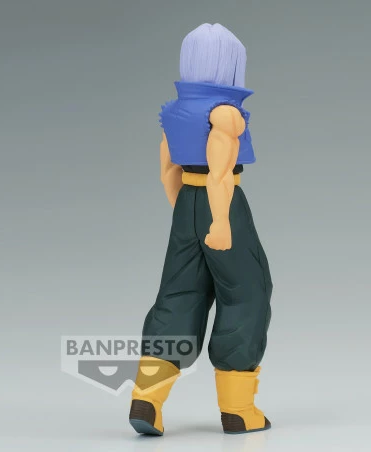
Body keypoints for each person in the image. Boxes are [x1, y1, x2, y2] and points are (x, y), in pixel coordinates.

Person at [129, 23, 273, 436]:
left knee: (179, 294)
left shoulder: (173, 111)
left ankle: (146, 399)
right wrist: (220, 222)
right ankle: (238, 409)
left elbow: (167, 170)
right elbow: (220, 173)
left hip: (186, 205)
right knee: (246, 293)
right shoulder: (225, 113)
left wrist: (186, 220)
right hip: (220, 204)